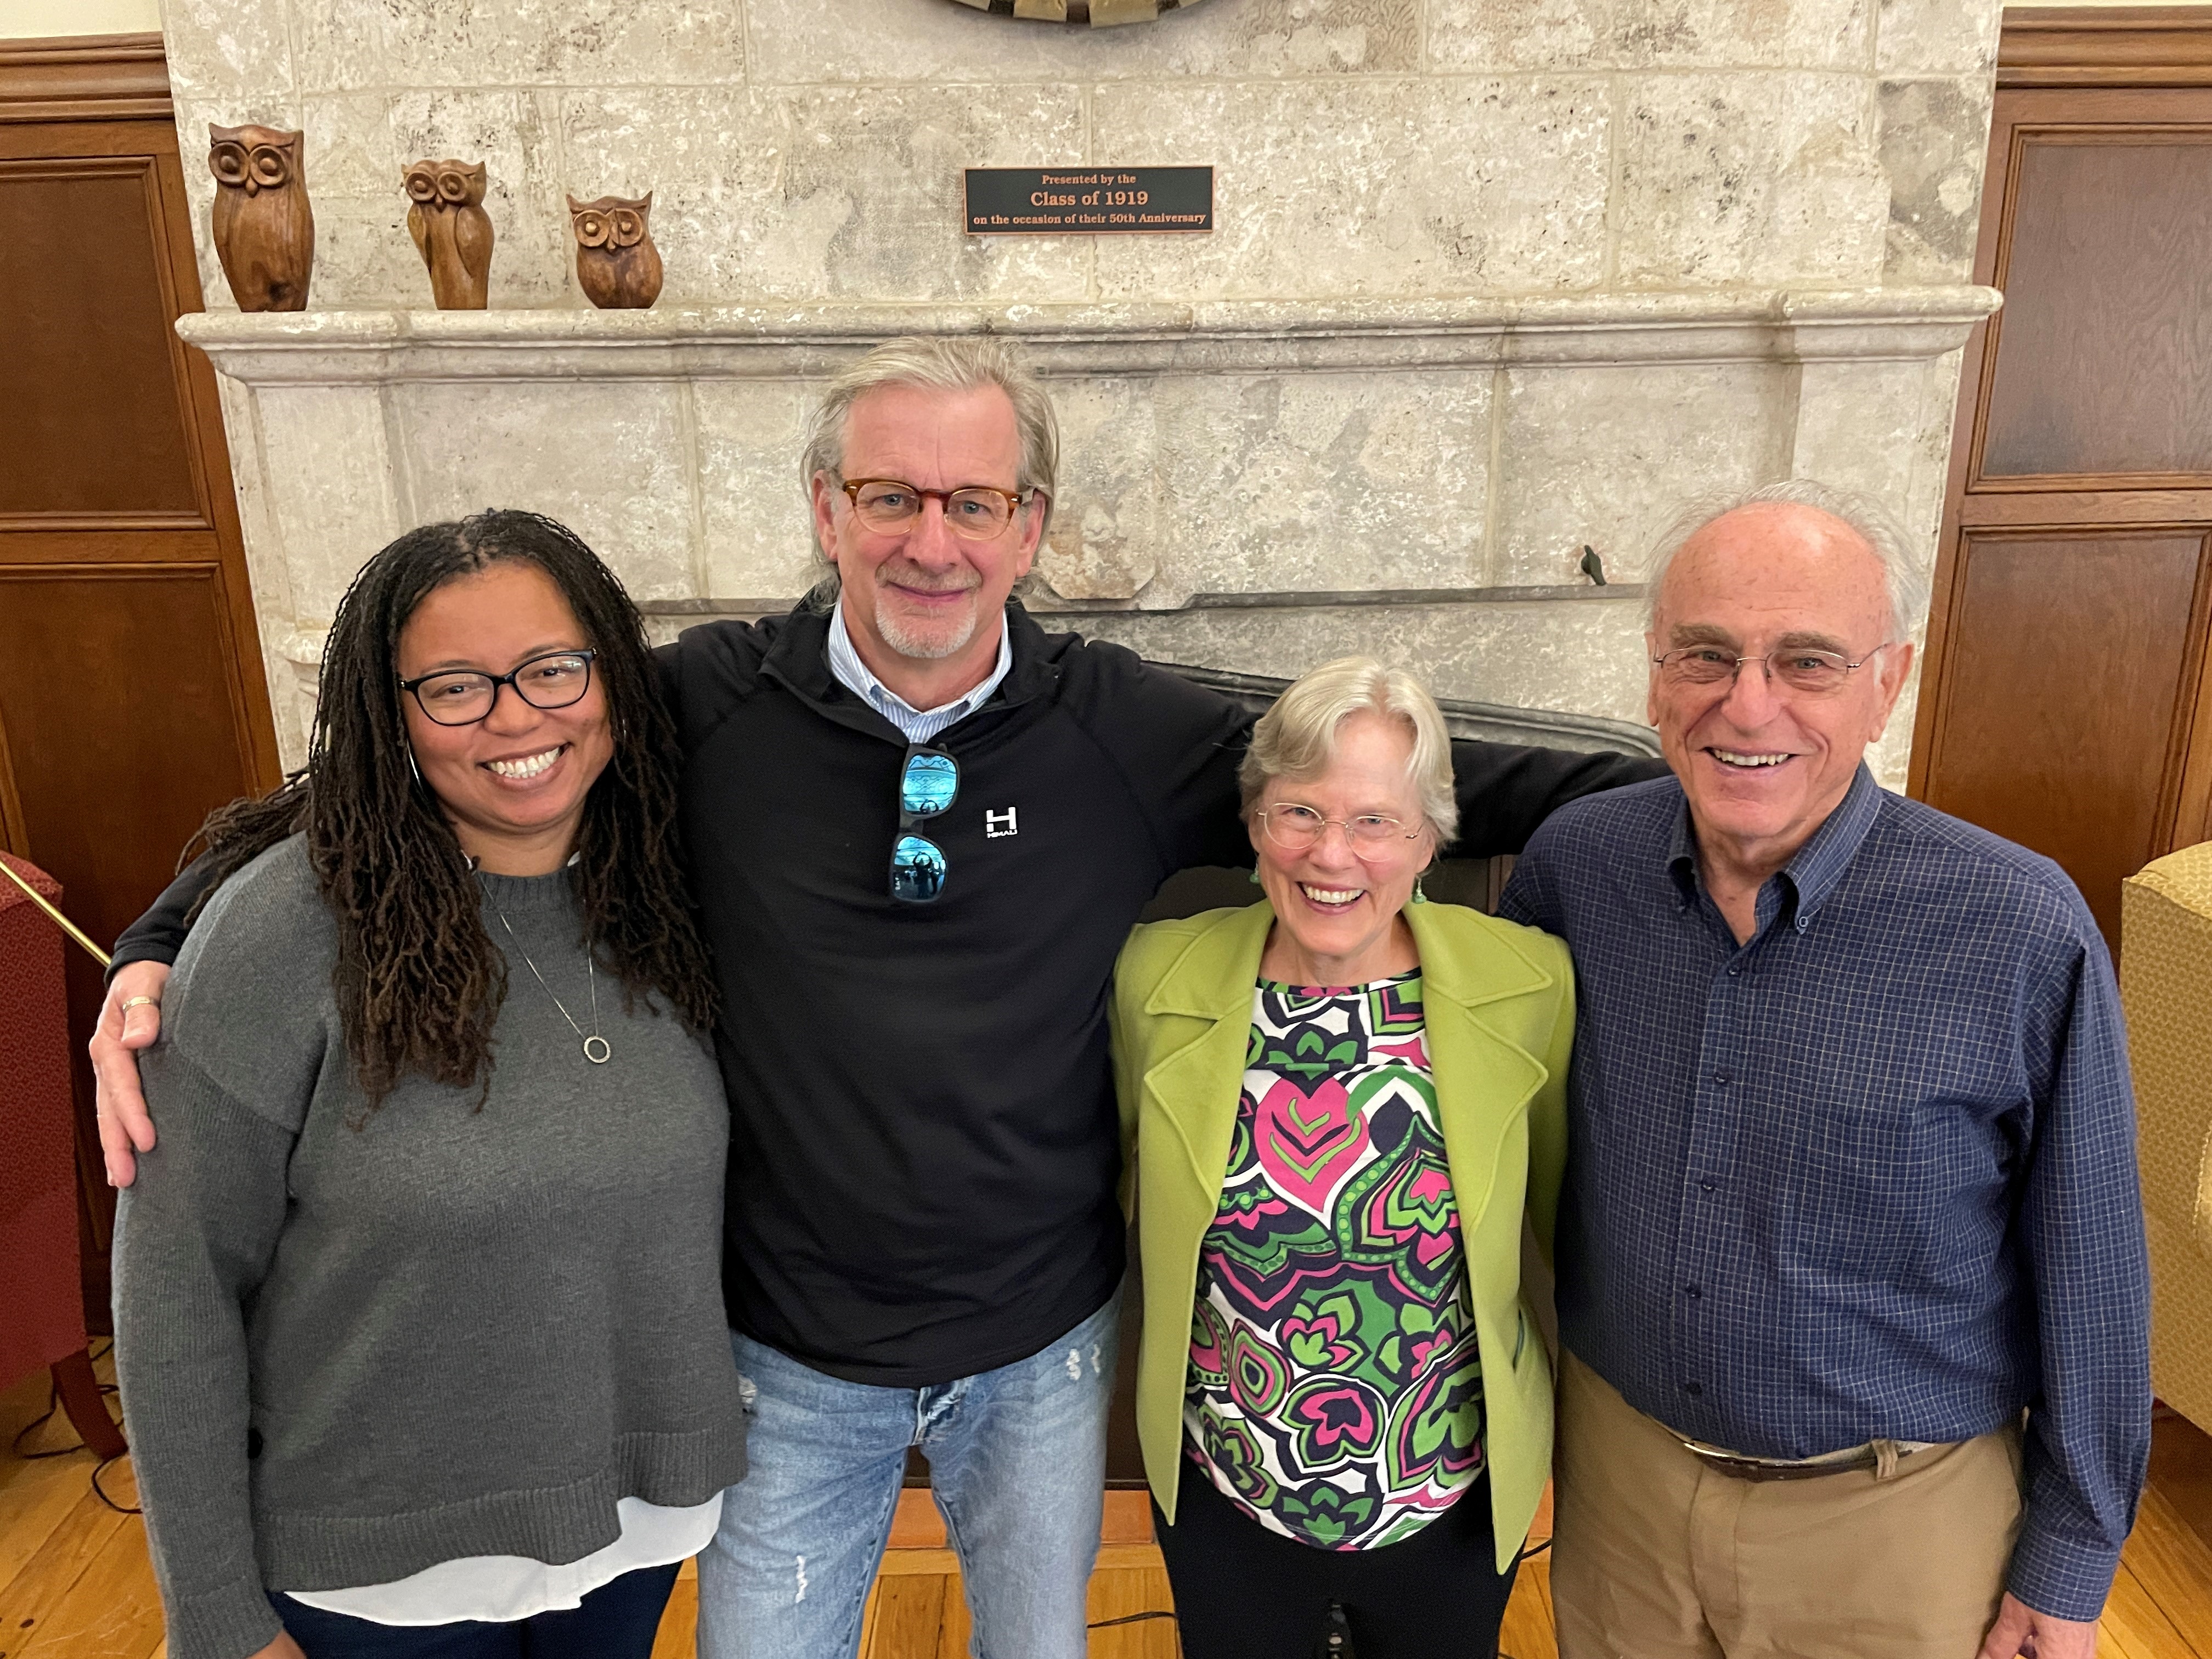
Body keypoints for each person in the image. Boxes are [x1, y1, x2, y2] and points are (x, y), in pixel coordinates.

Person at [94, 336, 1665, 1659]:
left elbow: (1415, 771)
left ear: (1032, 523)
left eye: (975, 500)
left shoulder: (1121, 728)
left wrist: (1707, 797)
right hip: (784, 1359)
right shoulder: (704, 700)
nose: (934, 540)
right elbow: (428, 764)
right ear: (826, 509)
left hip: (1044, 1355)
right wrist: (164, 936)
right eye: (892, 496)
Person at [1498, 479, 2151, 1659]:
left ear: (1886, 683)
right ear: (1653, 675)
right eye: (1705, 654)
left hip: (1894, 1524)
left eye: (1807, 662)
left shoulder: (2016, 927)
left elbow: (2094, 1268)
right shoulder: (1575, 873)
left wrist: (2069, 1565)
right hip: (1621, 1499)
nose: (1748, 707)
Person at [111, 512, 746, 1659]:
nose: (517, 717)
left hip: (638, 1533)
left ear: (611, 673)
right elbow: (175, 1292)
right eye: (453, 688)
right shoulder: (279, 936)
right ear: (388, 717)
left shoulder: (677, 883)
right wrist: (212, 1616)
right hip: (375, 1578)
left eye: (553, 669)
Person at [1111, 658, 1571, 1657]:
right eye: (1300, 813)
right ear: (1254, 821)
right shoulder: (1155, 978)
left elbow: (1565, 1224)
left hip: (1450, 1498)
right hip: (1226, 1492)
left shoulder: (1530, 985)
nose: (1334, 855)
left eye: (1376, 821)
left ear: (1430, 839)